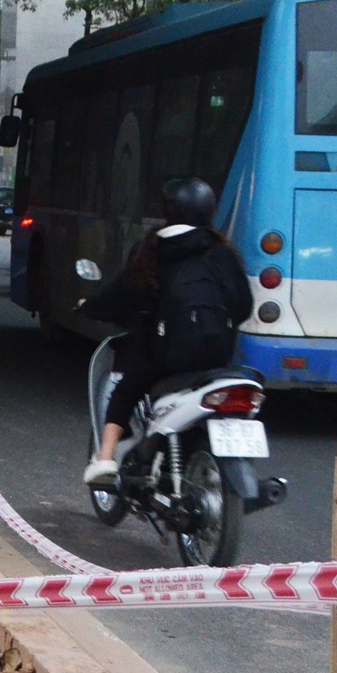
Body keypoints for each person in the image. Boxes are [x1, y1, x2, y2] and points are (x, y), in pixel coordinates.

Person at [80, 178, 253, 487]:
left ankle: (105, 458)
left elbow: (123, 296)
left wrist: (89, 306)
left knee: (125, 390)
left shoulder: (152, 249)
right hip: (217, 357)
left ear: (169, 210)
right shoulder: (222, 252)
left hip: (168, 355)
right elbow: (242, 306)